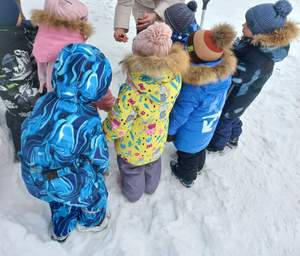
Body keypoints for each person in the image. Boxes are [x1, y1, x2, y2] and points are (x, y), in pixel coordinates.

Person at [20, 44, 112, 242]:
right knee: (95, 191)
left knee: (59, 196)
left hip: (34, 174)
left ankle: (61, 229)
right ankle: (92, 221)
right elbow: (98, 155)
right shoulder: (87, 120)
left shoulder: (45, 101)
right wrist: (102, 170)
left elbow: (29, 126)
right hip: (60, 176)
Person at [104, 23, 189, 202]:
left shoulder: (131, 91)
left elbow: (119, 125)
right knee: (152, 163)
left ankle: (133, 193)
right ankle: (150, 186)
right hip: (157, 138)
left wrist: (105, 131)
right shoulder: (175, 78)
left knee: (132, 169)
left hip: (132, 147)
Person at [207, 0, 299, 152]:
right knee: (233, 117)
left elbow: (239, 76)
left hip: (239, 94)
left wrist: (221, 63)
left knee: (225, 117)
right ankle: (234, 135)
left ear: (260, 33)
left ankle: (216, 145)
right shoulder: (255, 42)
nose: (243, 26)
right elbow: (242, 51)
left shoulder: (259, 57)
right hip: (242, 94)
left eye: (248, 25)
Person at [167, 24, 237, 187]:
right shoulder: (223, 73)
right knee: (200, 148)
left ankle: (187, 176)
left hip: (191, 130)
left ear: (193, 55)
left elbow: (181, 112)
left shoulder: (195, 86)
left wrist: (170, 131)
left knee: (188, 154)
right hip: (208, 124)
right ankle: (198, 166)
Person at [31, 0, 114, 111]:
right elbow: (95, 83)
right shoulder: (80, 57)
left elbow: (43, 73)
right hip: (80, 112)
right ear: (78, 26)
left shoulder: (45, 42)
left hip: (55, 105)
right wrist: (109, 104)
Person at [0, 0, 39, 156]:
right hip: (23, 103)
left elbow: (26, 27)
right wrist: (43, 96)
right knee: (25, 127)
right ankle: (24, 152)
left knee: (16, 119)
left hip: (16, 101)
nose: (22, 17)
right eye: (19, 15)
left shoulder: (12, 31)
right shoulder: (12, 56)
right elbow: (20, 89)